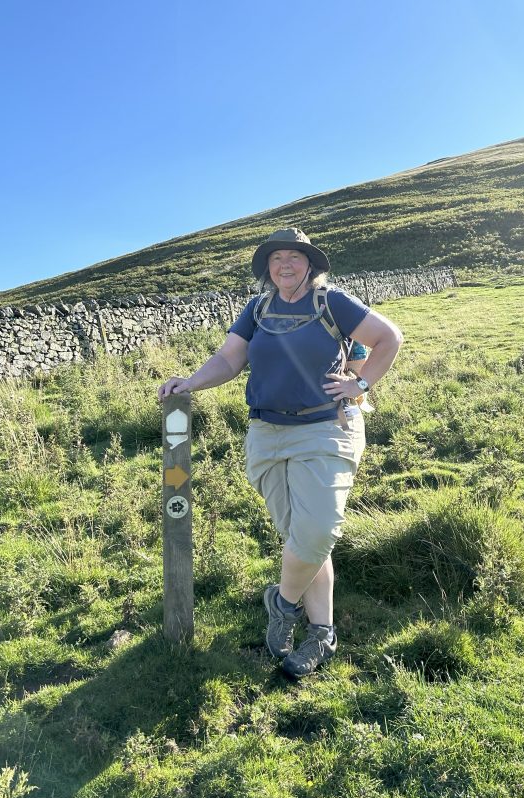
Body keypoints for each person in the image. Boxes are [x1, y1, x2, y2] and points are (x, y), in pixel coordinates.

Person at [158, 228, 403, 678]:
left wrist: (361, 384)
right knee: (301, 539)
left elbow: (389, 338)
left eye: (294, 257)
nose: (285, 265)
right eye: (276, 259)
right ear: (267, 269)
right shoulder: (258, 308)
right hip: (267, 433)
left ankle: (283, 602)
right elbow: (230, 359)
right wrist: (190, 381)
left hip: (326, 428)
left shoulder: (333, 302)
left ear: (310, 264)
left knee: (317, 529)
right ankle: (322, 633)